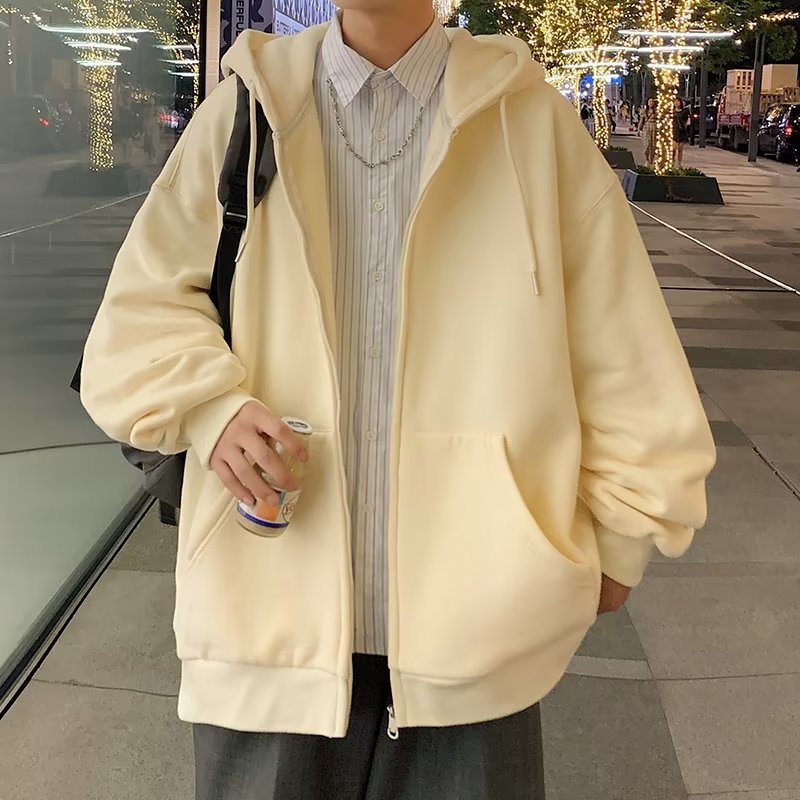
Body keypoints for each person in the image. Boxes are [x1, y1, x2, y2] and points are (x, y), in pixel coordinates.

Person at [79, 2, 716, 798]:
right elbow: (134, 317)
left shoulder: (528, 120)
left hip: (478, 631)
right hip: (267, 617)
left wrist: (626, 529)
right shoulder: (248, 109)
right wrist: (210, 408)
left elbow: (618, 342)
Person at [639, 97, 658, 166]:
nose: (651, 103)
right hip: (646, 128)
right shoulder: (644, 111)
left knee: (653, 145)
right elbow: (641, 121)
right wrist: (638, 129)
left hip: (654, 128)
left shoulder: (656, 111)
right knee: (646, 145)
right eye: (650, 101)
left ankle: (651, 160)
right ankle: (647, 159)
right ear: (647, 103)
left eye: (652, 101)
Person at [673, 96, 690, 168]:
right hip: (673, 131)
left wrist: (686, 125)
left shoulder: (684, 111)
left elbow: (687, 120)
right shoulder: (672, 111)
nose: (676, 103)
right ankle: (673, 161)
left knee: (680, 149)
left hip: (681, 131)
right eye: (675, 101)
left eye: (678, 101)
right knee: (673, 148)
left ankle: (679, 163)